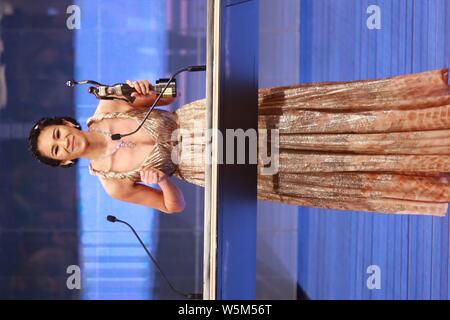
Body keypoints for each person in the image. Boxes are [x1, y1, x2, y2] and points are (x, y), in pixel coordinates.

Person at [28, 69, 450, 216]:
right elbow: (172, 207)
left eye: (58, 135)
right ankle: (425, 160)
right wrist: (162, 182)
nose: (63, 143)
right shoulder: (113, 185)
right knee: (320, 165)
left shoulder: (108, 103)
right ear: (63, 163)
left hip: (211, 119)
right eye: (56, 150)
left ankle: (428, 113)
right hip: (219, 164)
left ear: (66, 123)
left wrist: (142, 91)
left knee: (318, 122)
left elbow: (170, 92)